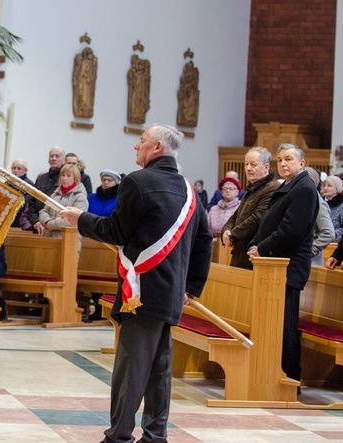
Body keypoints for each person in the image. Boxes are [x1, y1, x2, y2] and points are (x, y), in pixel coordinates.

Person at [59, 124, 212, 443]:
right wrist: (192, 286)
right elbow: (204, 242)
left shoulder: (137, 182)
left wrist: (80, 220)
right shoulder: (189, 191)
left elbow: (116, 231)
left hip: (140, 293)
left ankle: (119, 436)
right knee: (159, 370)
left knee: (130, 369)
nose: (135, 148)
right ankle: (155, 435)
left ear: (156, 147)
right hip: (170, 294)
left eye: (141, 142)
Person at [248, 143, 318, 389]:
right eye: (280, 160)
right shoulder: (288, 186)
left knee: (285, 327)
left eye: (289, 159)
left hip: (287, 268)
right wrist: (256, 243)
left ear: (302, 163)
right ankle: (268, 376)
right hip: (273, 266)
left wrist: (262, 248)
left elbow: (291, 230)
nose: (283, 164)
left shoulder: (304, 189)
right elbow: (269, 222)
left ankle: (289, 380)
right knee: (272, 325)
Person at [221, 147, 280, 269]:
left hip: (254, 254)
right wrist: (225, 231)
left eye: (253, 165)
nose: (248, 168)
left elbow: (258, 217)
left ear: (266, 167)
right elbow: (236, 215)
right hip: (240, 252)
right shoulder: (252, 188)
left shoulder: (272, 188)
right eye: (246, 164)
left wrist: (233, 234)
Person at [86, 169, 124, 321]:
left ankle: (107, 307)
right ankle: (96, 305)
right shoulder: (93, 198)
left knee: (106, 274)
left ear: (116, 182)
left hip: (110, 241)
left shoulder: (119, 198)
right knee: (92, 273)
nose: (106, 183)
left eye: (110, 180)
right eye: (104, 180)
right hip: (92, 240)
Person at [38, 164, 89, 253]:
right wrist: (47, 222)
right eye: (63, 175)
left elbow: (75, 219)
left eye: (68, 176)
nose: (64, 178)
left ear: (75, 178)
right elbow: (44, 211)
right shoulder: (55, 194)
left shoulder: (80, 196)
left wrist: (52, 224)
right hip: (49, 237)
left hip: (68, 241)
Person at [18, 146, 65, 233]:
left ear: (64, 160)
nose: (54, 158)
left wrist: (49, 223)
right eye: (51, 156)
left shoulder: (66, 179)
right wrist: (36, 221)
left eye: (57, 156)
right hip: (39, 228)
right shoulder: (41, 178)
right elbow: (32, 203)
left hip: (56, 228)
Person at [305, 168, 335, 266]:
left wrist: (309, 250)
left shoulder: (318, 203)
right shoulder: (302, 200)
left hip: (311, 260)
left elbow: (328, 233)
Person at [9, 159, 35, 228]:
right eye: (14, 168)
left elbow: (27, 203)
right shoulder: (8, 182)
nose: (16, 170)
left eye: (19, 168)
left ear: (25, 170)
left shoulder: (29, 185)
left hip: (20, 220)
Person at [320, 175, 343, 242]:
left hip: (335, 244)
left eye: (329, 186)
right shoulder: (319, 203)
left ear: (337, 188)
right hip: (319, 242)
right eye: (324, 185)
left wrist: (330, 235)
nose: (325, 188)